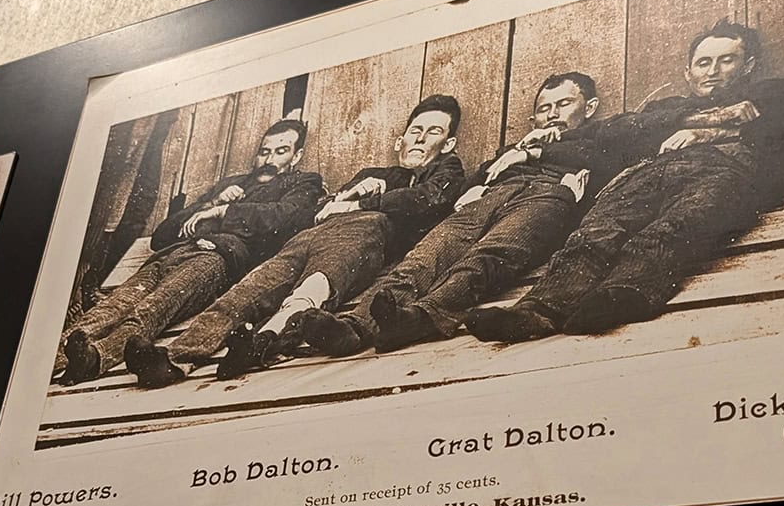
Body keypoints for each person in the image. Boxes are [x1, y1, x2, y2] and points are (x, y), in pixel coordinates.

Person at [465, 19, 784, 342]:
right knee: (595, 232)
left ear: (747, 65)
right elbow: (614, 133)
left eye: (726, 60)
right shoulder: (665, 108)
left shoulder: (779, 93)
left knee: (674, 226)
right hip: (646, 174)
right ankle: (537, 311)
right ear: (688, 72)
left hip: (721, 170)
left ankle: (626, 291)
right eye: (703, 63)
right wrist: (708, 121)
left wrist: (706, 136)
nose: (713, 71)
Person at [262, 73, 617, 360]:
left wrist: (538, 151)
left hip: (549, 194)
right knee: (424, 257)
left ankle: (423, 318)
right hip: (488, 198)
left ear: (589, 107)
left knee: (491, 254)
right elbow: (478, 177)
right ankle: (354, 327)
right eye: (544, 108)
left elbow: (609, 160)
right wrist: (477, 186)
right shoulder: (510, 149)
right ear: (533, 116)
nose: (552, 113)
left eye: (564, 103)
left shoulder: (601, 133)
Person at [123, 95, 465, 385]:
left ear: (447, 144)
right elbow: (316, 212)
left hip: (362, 240)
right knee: (246, 293)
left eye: (433, 132)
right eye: (415, 131)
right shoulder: (370, 173)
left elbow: (430, 199)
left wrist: (365, 200)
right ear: (399, 140)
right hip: (308, 238)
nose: (420, 139)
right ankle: (176, 360)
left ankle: (262, 346)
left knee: (312, 289)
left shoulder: (446, 171)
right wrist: (344, 197)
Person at [57, 119, 322, 383]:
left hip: (215, 258)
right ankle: (56, 360)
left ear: (296, 156)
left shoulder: (303, 183)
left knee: (152, 308)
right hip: (170, 255)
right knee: (114, 305)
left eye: (281, 151)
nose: (269, 160)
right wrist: (213, 200)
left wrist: (224, 211)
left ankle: (95, 359)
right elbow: (162, 235)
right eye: (264, 152)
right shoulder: (230, 184)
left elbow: (288, 218)